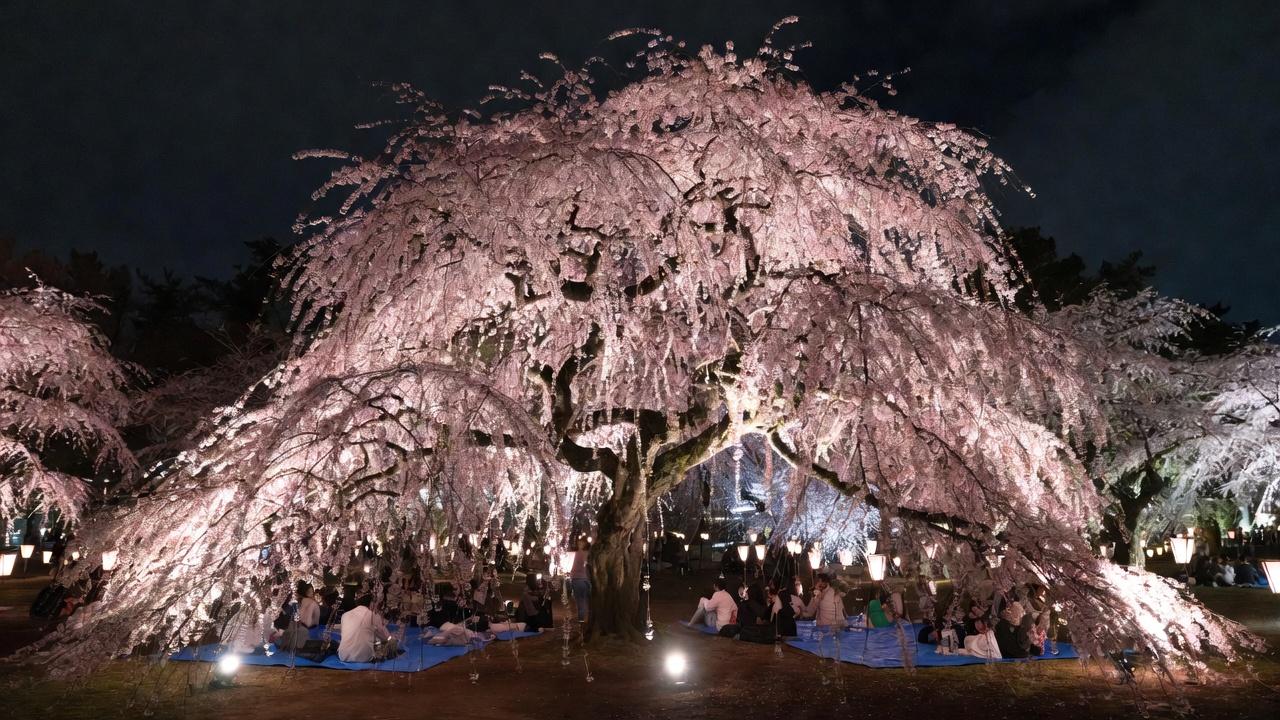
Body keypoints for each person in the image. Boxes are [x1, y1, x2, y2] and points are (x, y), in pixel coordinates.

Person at [337, 595, 399, 662]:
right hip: (363, 657)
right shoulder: (373, 615)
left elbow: (343, 634)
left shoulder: (345, 615)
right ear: (371, 603)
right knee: (388, 643)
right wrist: (392, 638)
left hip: (343, 656)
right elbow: (386, 637)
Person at [569, 537, 592, 623]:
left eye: (580, 543)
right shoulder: (585, 553)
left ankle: (581, 619)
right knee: (584, 599)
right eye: (578, 543)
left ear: (584, 544)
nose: (579, 545)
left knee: (580, 599)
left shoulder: (580, 553)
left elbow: (585, 564)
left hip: (579, 578)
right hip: (583, 578)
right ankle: (584, 618)